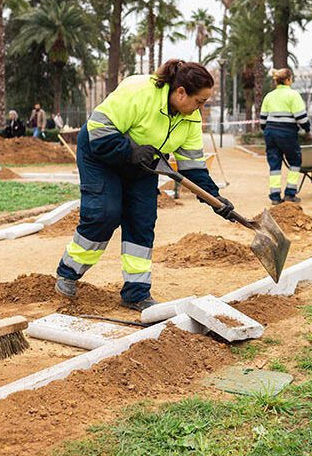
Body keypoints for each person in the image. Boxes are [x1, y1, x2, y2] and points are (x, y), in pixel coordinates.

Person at [54, 60, 235, 311]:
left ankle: (135, 292)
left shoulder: (190, 118)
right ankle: (68, 272)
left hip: (144, 164)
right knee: (104, 213)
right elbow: (98, 130)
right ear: (181, 92)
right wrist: (129, 152)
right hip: (101, 153)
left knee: (142, 220)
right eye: (200, 102)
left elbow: (193, 168)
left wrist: (216, 200)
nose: (200, 109)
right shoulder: (139, 90)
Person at [259, 68, 311, 204]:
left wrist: (267, 131)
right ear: (288, 80)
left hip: (270, 132)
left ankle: (275, 196)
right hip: (287, 132)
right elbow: (301, 117)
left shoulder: (269, 96)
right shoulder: (293, 95)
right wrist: (307, 130)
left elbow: (263, 119)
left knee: (274, 164)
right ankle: (290, 193)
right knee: (295, 161)